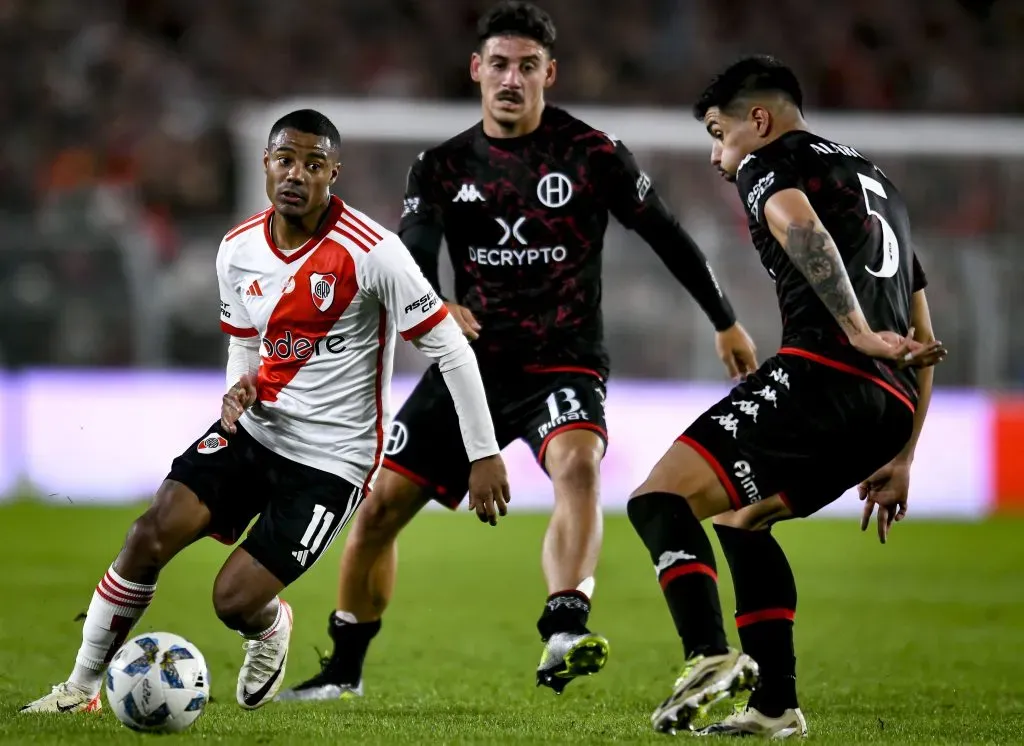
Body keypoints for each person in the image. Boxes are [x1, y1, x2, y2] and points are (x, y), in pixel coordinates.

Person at [277, 1, 756, 703]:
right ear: (476, 69)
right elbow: (414, 255)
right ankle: (342, 672)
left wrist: (725, 320)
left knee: (578, 466)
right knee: (378, 510)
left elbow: (669, 235)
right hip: (469, 365)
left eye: (527, 66)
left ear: (548, 75)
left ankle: (565, 624)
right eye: (499, 64)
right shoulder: (441, 166)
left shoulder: (593, 154)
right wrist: (436, 303)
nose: (511, 78)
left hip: (564, 359)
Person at [20, 109, 510, 715]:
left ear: (333, 173)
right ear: (266, 164)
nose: (296, 174)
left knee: (232, 600)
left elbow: (452, 349)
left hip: (332, 461)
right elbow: (245, 342)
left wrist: (483, 453)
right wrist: (239, 388)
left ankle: (270, 625)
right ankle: (80, 689)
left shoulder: (374, 252)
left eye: (313, 163)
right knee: (148, 535)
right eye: (285, 160)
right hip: (256, 430)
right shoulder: (238, 248)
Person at [625, 55, 949, 737]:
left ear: (759, 120)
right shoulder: (879, 184)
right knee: (742, 521)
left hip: (826, 372)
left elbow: (800, 227)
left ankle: (708, 655)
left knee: (658, 500)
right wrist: (904, 453)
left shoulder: (769, 163)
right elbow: (923, 331)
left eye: (719, 134)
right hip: (889, 406)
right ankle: (775, 706)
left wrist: (857, 333)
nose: (718, 156)